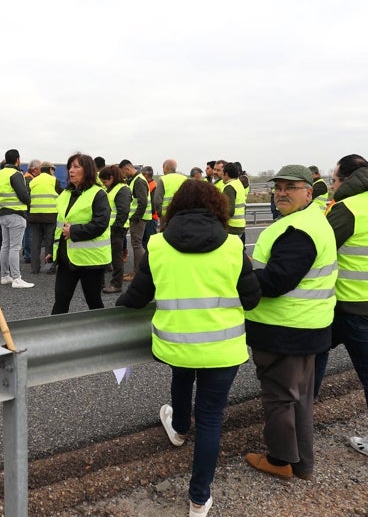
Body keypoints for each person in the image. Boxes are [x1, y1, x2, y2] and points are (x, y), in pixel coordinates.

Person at [116, 179, 260, 517]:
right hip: (222, 349)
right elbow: (252, 301)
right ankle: (198, 500)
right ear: (218, 208)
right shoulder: (232, 246)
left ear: (174, 207)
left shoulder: (158, 245)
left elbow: (135, 298)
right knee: (210, 419)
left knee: (182, 379)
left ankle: (179, 429)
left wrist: (117, 306)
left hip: (176, 343)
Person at [244, 165, 337, 481]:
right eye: (278, 187)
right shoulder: (311, 220)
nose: (281, 192)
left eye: (291, 187)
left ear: (309, 192)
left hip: (284, 330)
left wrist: (240, 277)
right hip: (306, 327)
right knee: (299, 399)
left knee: (280, 399)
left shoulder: (299, 231)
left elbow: (276, 280)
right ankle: (302, 463)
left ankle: (280, 460)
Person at [312, 154, 368, 458]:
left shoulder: (349, 209)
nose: (332, 186)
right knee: (317, 349)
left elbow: (319, 248)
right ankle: (306, 405)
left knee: (315, 350)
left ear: (346, 180)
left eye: (334, 180)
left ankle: (303, 407)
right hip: (353, 307)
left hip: (350, 306)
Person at [50, 153, 110, 314]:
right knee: (61, 301)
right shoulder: (65, 193)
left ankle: (103, 334)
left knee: (93, 301)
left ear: (88, 170)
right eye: (70, 166)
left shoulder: (98, 194)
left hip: (90, 260)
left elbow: (101, 224)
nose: (71, 170)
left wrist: (74, 231)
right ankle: (55, 335)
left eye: (76, 166)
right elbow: (59, 223)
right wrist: (52, 249)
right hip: (65, 258)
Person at [0, 149, 34, 288]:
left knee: (5, 245)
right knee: (15, 247)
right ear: (18, 159)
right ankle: (17, 278)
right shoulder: (16, 174)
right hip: (16, 213)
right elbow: (23, 194)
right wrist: (29, 201)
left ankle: (5, 276)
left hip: (2, 213)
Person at [99, 165, 130, 294]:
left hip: (116, 229)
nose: (104, 185)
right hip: (109, 228)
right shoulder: (111, 189)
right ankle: (105, 282)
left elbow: (123, 211)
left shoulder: (122, 189)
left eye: (105, 182)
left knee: (116, 257)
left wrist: (116, 227)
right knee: (107, 254)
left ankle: (116, 284)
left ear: (112, 178)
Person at [28, 161, 61, 275]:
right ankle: (49, 267)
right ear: (50, 169)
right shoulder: (54, 180)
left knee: (35, 242)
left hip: (34, 216)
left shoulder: (33, 181)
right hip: (50, 216)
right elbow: (62, 195)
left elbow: (28, 198)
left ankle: (35, 268)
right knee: (49, 242)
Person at [121, 160, 151, 282]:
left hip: (139, 218)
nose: (123, 175)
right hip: (138, 217)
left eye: (123, 172)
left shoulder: (138, 180)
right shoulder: (135, 179)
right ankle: (137, 271)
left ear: (127, 169)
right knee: (136, 244)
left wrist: (136, 217)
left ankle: (139, 272)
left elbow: (142, 201)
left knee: (137, 244)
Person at [221, 162, 246, 243]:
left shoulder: (229, 187)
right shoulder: (238, 184)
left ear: (226, 174)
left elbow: (230, 211)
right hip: (240, 225)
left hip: (232, 226)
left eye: (222, 173)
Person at [22, 159, 42, 264]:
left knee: (27, 233)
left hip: (25, 209)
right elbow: (29, 196)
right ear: (34, 170)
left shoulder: (26, 177)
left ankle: (26, 252)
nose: (41, 171)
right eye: (40, 169)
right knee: (29, 233)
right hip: (29, 210)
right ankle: (28, 255)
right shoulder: (30, 180)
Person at [141, 165, 159, 250]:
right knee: (144, 242)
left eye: (142, 174)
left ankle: (149, 261)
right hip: (147, 217)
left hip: (151, 218)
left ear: (146, 175)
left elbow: (153, 204)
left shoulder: (153, 185)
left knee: (149, 242)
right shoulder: (147, 184)